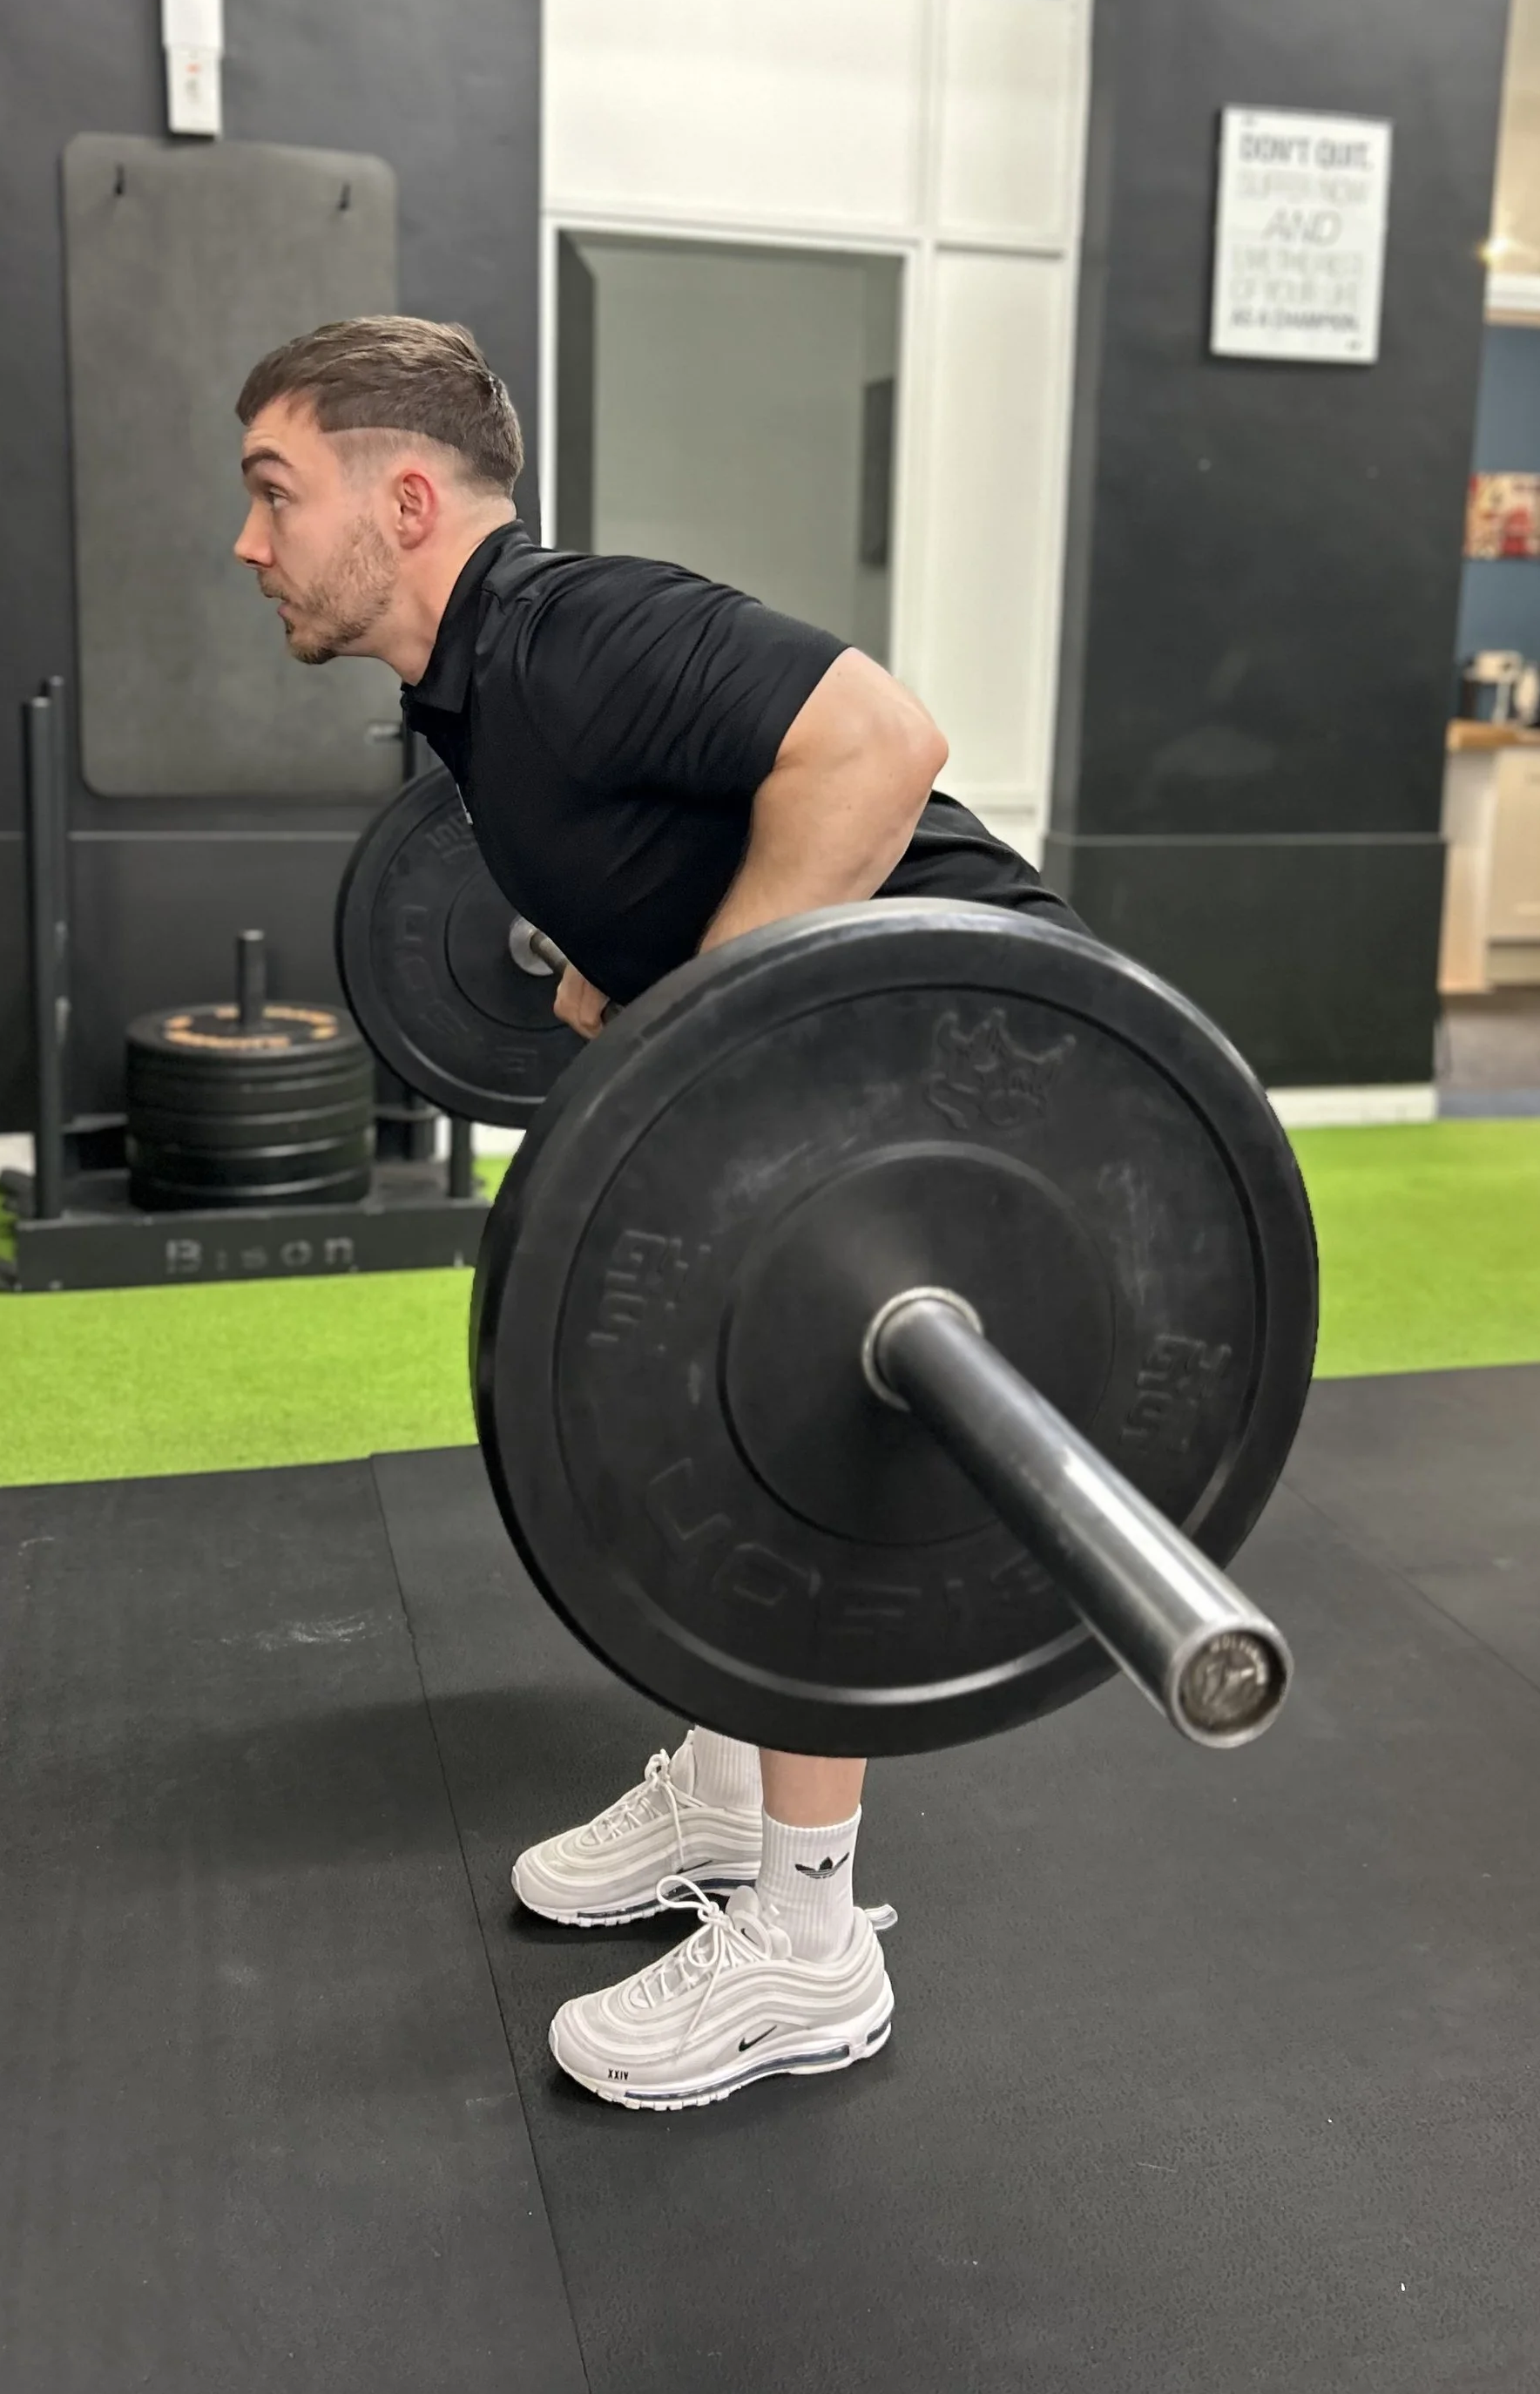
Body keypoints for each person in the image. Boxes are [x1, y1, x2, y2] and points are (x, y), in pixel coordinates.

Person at [233, 314, 1084, 2112]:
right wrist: (624, 981)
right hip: (845, 1062)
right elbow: (686, 842)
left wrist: (700, 1008)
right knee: (684, 1387)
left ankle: (806, 1941)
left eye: (270, 491)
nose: (247, 542)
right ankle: (726, 1783)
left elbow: (877, 743)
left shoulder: (569, 626)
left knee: (804, 1430)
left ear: (399, 500)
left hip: (994, 1078)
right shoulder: (470, 692)